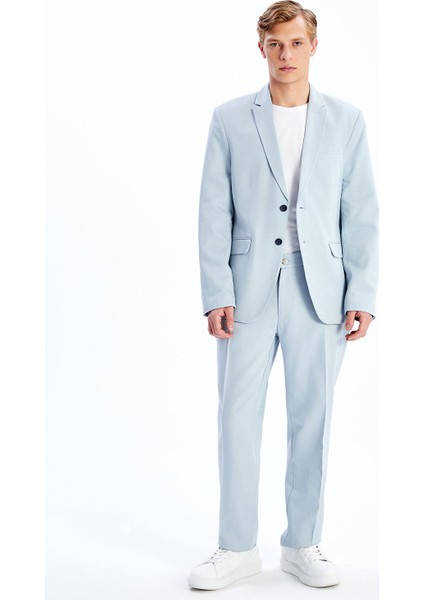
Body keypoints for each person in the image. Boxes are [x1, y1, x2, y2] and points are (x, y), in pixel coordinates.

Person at [187, 0, 378, 590]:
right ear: (261, 48)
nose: (286, 54)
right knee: (236, 418)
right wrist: (216, 290)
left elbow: (361, 210)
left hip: (320, 289)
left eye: (296, 43)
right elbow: (212, 209)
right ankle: (236, 546)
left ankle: (302, 544)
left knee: (312, 419)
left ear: (313, 46)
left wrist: (363, 291)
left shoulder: (346, 120)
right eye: (276, 44)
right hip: (245, 291)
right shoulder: (229, 118)